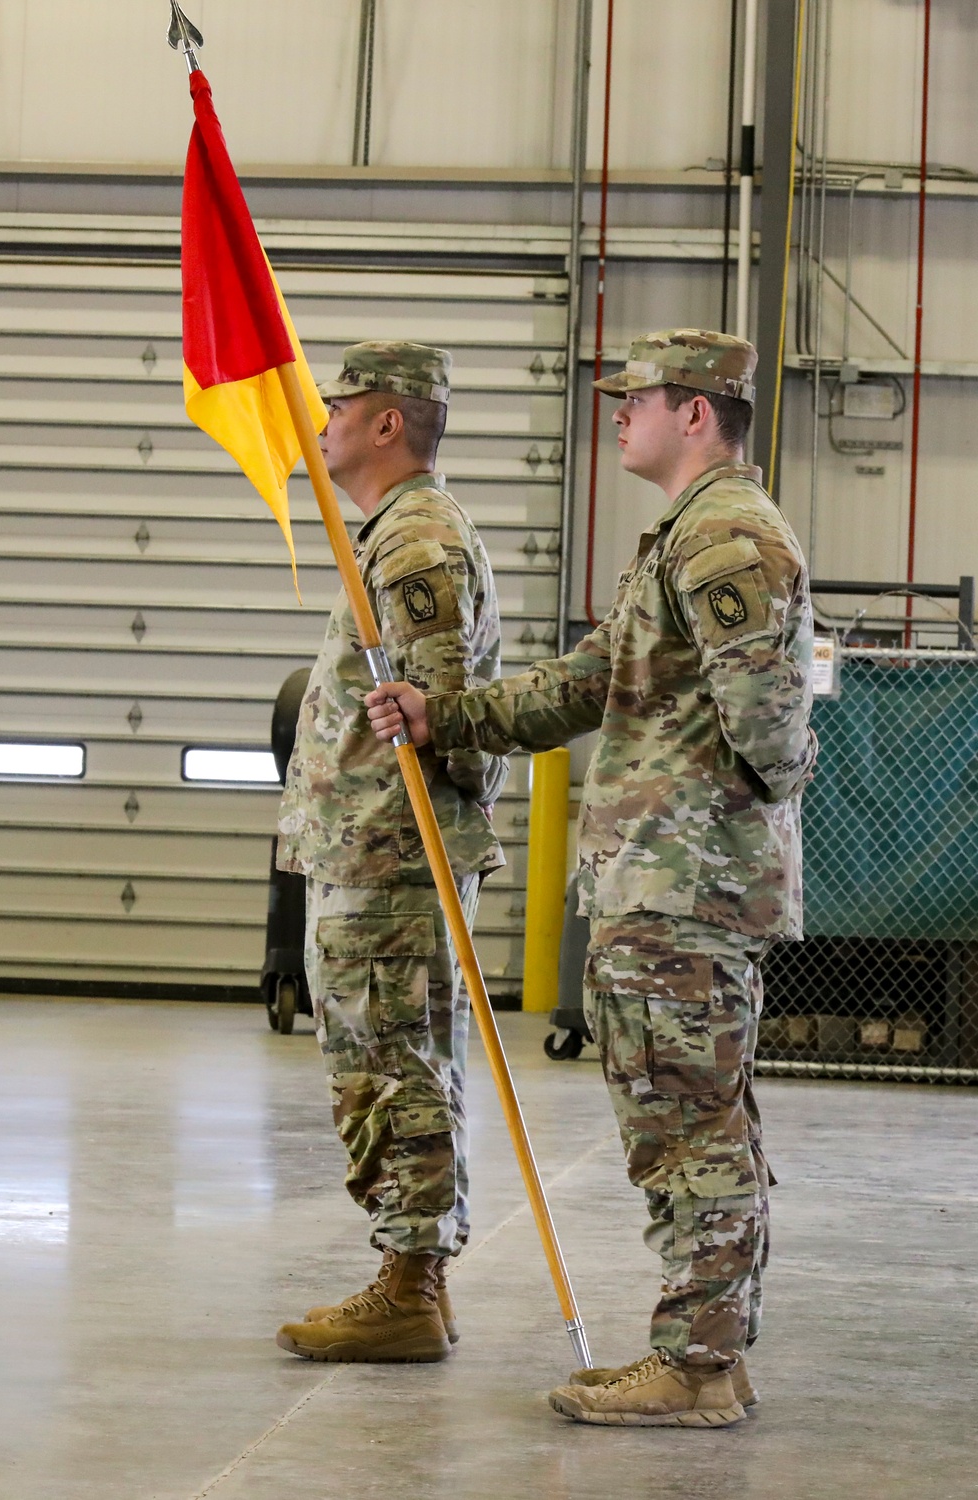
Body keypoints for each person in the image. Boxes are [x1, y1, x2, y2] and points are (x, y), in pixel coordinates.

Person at [366, 329, 817, 1425]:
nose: (619, 414)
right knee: (682, 1120)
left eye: (639, 399)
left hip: (683, 887)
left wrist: (702, 830)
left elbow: (772, 725)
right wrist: (450, 714)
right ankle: (700, 1351)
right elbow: (592, 682)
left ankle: (699, 1369)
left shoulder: (723, 538)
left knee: (689, 1126)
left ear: (696, 413)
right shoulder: (681, 534)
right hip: (662, 880)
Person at [274, 340, 508, 1364]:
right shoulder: (394, 532)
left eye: (338, 405)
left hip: (389, 856)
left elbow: (442, 714)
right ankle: (419, 1273)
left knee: (391, 1067)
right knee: (389, 1061)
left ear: (386, 422)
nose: (318, 422)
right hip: (371, 851)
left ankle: (410, 1282)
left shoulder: (415, 541)